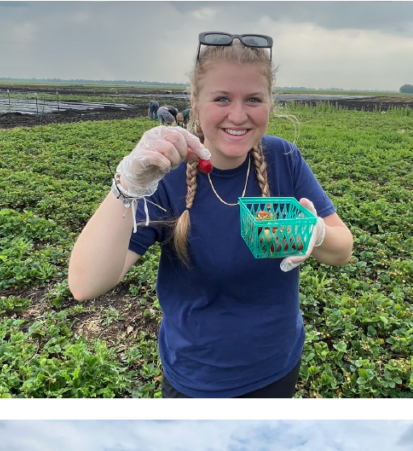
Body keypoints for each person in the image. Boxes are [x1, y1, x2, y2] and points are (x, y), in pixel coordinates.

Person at [68, 32, 354, 399]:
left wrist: (316, 233)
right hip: (197, 381)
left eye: (253, 99)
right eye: (222, 98)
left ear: (270, 103)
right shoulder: (165, 175)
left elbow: (343, 250)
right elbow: (85, 283)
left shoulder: (284, 159)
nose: (239, 115)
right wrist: (126, 186)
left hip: (277, 367)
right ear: (195, 104)